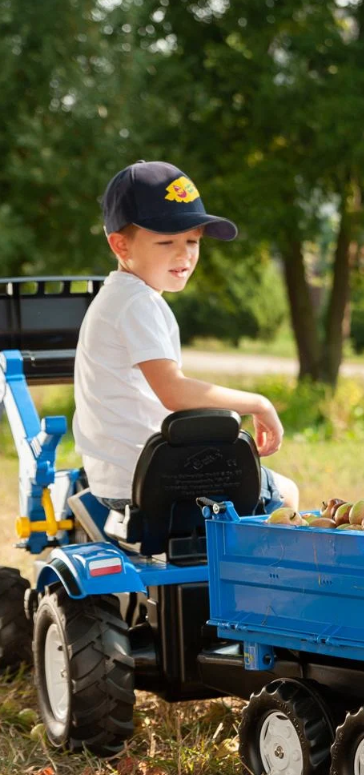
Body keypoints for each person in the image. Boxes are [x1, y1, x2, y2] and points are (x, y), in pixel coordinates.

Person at [73, 160, 299, 515]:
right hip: (152, 479)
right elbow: (174, 392)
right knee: (285, 495)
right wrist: (258, 403)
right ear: (120, 245)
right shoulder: (137, 302)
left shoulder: (120, 296)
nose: (185, 254)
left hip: (121, 478)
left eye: (193, 241)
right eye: (166, 241)